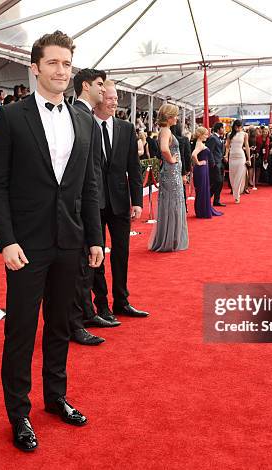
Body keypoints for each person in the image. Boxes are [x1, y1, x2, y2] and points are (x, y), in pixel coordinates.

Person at [0, 31, 103, 452]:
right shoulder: (12, 116)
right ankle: (18, 413)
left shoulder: (84, 119)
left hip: (69, 239)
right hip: (26, 245)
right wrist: (6, 240)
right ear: (35, 67)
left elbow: (89, 183)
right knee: (20, 330)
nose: (60, 71)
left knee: (60, 326)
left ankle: (55, 398)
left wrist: (94, 237)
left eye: (67, 64)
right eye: (53, 63)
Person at [93, 80, 148, 319]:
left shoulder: (126, 128)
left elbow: (133, 168)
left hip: (119, 201)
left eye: (116, 98)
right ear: (98, 99)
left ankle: (122, 301)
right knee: (95, 255)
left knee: (121, 252)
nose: (115, 102)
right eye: (110, 98)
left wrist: (137, 201)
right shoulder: (84, 125)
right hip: (92, 202)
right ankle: (101, 304)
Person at [69, 67, 114, 346]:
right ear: (86, 87)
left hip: (86, 203)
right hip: (80, 206)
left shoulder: (85, 117)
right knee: (80, 267)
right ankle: (77, 322)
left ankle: (86, 313)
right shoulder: (79, 117)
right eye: (99, 84)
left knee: (86, 264)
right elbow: (89, 173)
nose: (103, 89)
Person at [148, 104, 188, 252]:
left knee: (173, 203)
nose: (177, 118)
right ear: (169, 117)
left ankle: (171, 238)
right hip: (171, 173)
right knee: (173, 203)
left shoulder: (166, 130)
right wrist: (171, 160)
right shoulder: (165, 131)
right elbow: (164, 148)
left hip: (172, 173)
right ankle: (171, 240)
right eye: (175, 115)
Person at [192, 127, 223, 219]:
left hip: (202, 169)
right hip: (201, 169)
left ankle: (201, 211)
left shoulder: (199, 143)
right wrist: (198, 162)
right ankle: (202, 211)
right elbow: (193, 155)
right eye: (205, 134)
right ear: (200, 135)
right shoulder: (200, 144)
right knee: (202, 190)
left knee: (201, 190)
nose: (207, 136)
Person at [224, 119, 251, 202]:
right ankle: (235, 191)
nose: (238, 128)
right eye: (236, 126)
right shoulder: (229, 135)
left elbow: (247, 146)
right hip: (232, 156)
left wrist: (249, 158)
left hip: (241, 156)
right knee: (232, 176)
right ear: (234, 126)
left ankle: (237, 195)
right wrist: (226, 155)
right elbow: (227, 146)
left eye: (239, 127)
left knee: (239, 175)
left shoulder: (245, 134)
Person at [205, 122, 226, 207]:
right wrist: (212, 163)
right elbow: (209, 151)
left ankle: (216, 200)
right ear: (218, 129)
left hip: (220, 163)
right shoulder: (213, 138)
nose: (224, 130)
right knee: (218, 181)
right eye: (223, 128)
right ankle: (208, 197)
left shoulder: (220, 138)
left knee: (220, 183)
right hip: (215, 164)